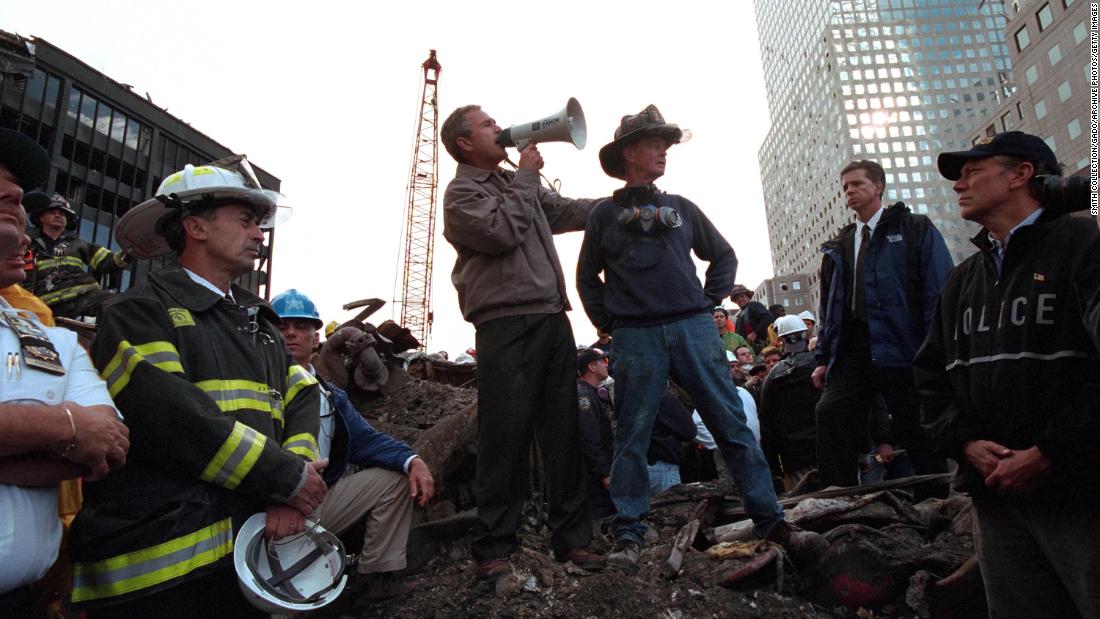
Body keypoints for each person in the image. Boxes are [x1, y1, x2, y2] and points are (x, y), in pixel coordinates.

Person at [69, 160, 325, 618]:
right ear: (195, 227)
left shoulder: (258, 322)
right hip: (162, 569)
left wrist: (296, 474)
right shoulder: (138, 312)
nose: (258, 234)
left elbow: (303, 394)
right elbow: (171, 417)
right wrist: (286, 479)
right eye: (245, 221)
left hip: (248, 552)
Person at [577, 104, 821, 572]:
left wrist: (705, 302)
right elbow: (587, 277)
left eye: (665, 145)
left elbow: (723, 255)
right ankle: (630, 528)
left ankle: (770, 518)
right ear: (629, 153)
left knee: (732, 424)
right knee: (632, 434)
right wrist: (610, 322)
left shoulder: (682, 209)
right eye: (653, 145)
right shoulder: (604, 216)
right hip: (636, 335)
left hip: (692, 328)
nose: (662, 153)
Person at [915, 132, 1100, 618]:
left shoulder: (1084, 245)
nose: (959, 184)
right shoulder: (963, 279)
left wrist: (1049, 452)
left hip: (1078, 492)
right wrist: (964, 445)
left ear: (1020, 175)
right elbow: (931, 378)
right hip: (995, 501)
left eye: (973, 170)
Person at [440, 104, 604, 581]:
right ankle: (494, 546)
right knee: (504, 437)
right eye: (488, 124)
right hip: (505, 326)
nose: (499, 127)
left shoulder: (515, 184)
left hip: (551, 318)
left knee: (563, 433)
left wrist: (618, 204)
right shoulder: (461, 193)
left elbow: (567, 211)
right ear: (465, 143)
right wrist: (527, 177)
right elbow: (500, 233)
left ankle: (573, 540)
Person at [0, 128, 129, 616]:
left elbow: (106, 444)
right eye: (5, 198)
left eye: (26, 205)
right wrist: (68, 425)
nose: (28, 214)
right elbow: (84, 434)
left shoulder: (48, 335)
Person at [272, 289, 435, 601]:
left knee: (395, 480)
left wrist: (413, 460)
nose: (291, 333)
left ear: (315, 336)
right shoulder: (254, 386)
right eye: (282, 326)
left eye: (301, 327)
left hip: (313, 505)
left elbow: (366, 439)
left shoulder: (328, 394)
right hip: (266, 511)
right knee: (277, 602)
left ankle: (372, 581)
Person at [812, 159, 953, 498]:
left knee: (916, 424)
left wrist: (935, 347)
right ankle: (839, 500)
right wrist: (822, 357)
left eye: (857, 184)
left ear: (878, 187)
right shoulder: (840, 245)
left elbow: (939, 290)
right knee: (831, 413)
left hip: (906, 346)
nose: (849, 191)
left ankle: (936, 503)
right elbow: (829, 308)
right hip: (854, 348)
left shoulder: (913, 228)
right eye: (845, 186)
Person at [24, 192, 129, 319]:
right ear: (41, 218)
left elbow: (108, 261)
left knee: (120, 306)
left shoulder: (78, 244)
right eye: (52, 212)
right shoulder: (27, 245)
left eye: (62, 213)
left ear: (67, 221)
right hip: (44, 305)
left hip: (84, 296)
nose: (57, 215)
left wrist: (130, 252)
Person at [576, 346, 615, 520]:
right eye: (603, 361)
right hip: (591, 476)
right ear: (591, 367)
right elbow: (589, 436)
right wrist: (604, 473)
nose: (607, 365)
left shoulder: (589, 393)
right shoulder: (583, 396)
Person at [729, 285, 773, 353]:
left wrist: (754, 333)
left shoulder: (754, 305)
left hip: (760, 348)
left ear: (748, 297)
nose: (740, 299)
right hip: (748, 350)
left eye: (742, 296)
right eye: (737, 298)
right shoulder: (739, 315)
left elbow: (768, 317)